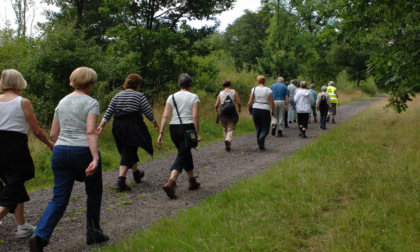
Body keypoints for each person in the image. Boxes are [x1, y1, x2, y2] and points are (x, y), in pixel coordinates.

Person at [29, 67, 109, 251]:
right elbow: (90, 131)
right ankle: (93, 233)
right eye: (92, 83)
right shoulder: (91, 102)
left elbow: (53, 133)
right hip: (83, 151)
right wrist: (95, 158)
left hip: (60, 151)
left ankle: (40, 236)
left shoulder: (62, 102)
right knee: (94, 193)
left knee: (59, 198)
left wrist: (64, 146)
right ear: (89, 83)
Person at [0, 69, 54, 239]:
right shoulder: (23, 102)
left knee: (15, 184)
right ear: (19, 82)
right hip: (14, 149)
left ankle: (22, 226)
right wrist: (49, 144)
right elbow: (36, 130)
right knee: (15, 182)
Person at [97, 74, 159, 192]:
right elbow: (148, 111)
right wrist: (155, 123)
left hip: (118, 126)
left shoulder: (117, 95)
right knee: (128, 150)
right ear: (138, 85)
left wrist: (101, 126)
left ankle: (136, 173)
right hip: (133, 126)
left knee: (129, 149)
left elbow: (108, 112)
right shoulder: (139, 96)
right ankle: (121, 181)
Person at [158, 73, 201, 199]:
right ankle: (171, 182)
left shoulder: (171, 97)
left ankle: (192, 181)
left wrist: (161, 133)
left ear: (179, 84)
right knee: (183, 153)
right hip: (187, 128)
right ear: (190, 85)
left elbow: (165, 116)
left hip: (173, 129)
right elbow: (195, 116)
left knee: (185, 151)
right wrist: (197, 133)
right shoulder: (194, 97)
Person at [247, 75, 274, 150]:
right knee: (265, 127)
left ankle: (260, 144)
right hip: (265, 109)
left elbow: (250, 102)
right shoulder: (268, 90)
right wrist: (272, 111)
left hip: (255, 108)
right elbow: (272, 102)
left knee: (258, 127)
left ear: (257, 81)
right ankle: (262, 138)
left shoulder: (254, 89)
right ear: (264, 81)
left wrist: (249, 110)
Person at [214, 79, 241, 152]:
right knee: (231, 128)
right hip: (231, 112)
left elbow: (216, 104)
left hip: (222, 112)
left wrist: (217, 110)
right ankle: (228, 140)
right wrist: (239, 109)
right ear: (230, 85)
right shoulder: (233, 91)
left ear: (223, 85)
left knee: (225, 128)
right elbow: (238, 102)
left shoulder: (221, 93)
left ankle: (227, 142)